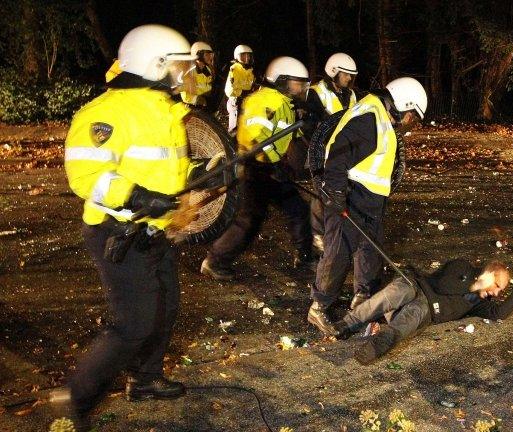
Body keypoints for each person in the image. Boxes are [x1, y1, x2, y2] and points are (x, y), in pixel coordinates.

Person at [50, 25, 217, 431]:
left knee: (166, 306)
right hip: (116, 231)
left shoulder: (165, 110)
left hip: (153, 231)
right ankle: (73, 399)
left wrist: (201, 175)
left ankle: (144, 380)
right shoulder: (106, 113)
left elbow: (166, 168)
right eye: (178, 66)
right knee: (135, 322)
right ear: (154, 64)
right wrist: (136, 196)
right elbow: (85, 175)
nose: (184, 75)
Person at [307, 77, 427, 331]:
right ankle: (319, 307)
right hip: (351, 196)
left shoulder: (381, 118)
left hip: (371, 200)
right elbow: (337, 157)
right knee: (338, 252)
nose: (409, 123)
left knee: (370, 251)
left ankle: (363, 300)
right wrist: (336, 195)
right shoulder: (368, 119)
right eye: (411, 116)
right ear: (403, 103)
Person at [200, 56, 315, 281]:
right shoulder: (265, 101)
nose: (300, 88)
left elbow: (285, 133)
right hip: (256, 169)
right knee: (249, 219)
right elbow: (255, 137)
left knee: (298, 210)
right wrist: (270, 162)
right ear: (281, 80)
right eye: (296, 83)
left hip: (272, 168)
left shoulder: (283, 102)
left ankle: (305, 256)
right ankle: (215, 261)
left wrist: (307, 127)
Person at [330, 260, 513, 365]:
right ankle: (345, 325)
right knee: (392, 295)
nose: (497, 293)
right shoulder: (463, 267)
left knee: (409, 320)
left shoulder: (479, 302)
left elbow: (499, 313)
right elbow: (442, 285)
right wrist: (475, 286)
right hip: (416, 286)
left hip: (424, 309)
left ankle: (374, 347)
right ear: (489, 274)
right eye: (498, 286)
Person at [305, 52, 358, 252]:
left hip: (342, 151)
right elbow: (310, 126)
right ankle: (317, 235)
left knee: (342, 191)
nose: (349, 78)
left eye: (351, 75)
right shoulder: (316, 93)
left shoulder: (351, 95)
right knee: (321, 193)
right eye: (345, 74)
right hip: (321, 151)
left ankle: (336, 232)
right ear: (333, 72)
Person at [224, 44, 255, 133]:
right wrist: (243, 91)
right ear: (237, 57)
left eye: (248, 56)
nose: (246, 58)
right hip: (235, 100)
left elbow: (249, 85)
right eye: (243, 56)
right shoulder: (235, 69)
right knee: (234, 125)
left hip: (244, 99)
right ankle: (231, 139)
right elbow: (232, 87)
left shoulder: (249, 70)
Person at [181, 41, 216, 108]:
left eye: (211, 54)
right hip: (191, 107)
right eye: (207, 55)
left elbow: (208, 86)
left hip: (204, 104)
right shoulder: (189, 70)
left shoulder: (207, 69)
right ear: (198, 55)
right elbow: (185, 93)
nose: (210, 57)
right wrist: (197, 99)